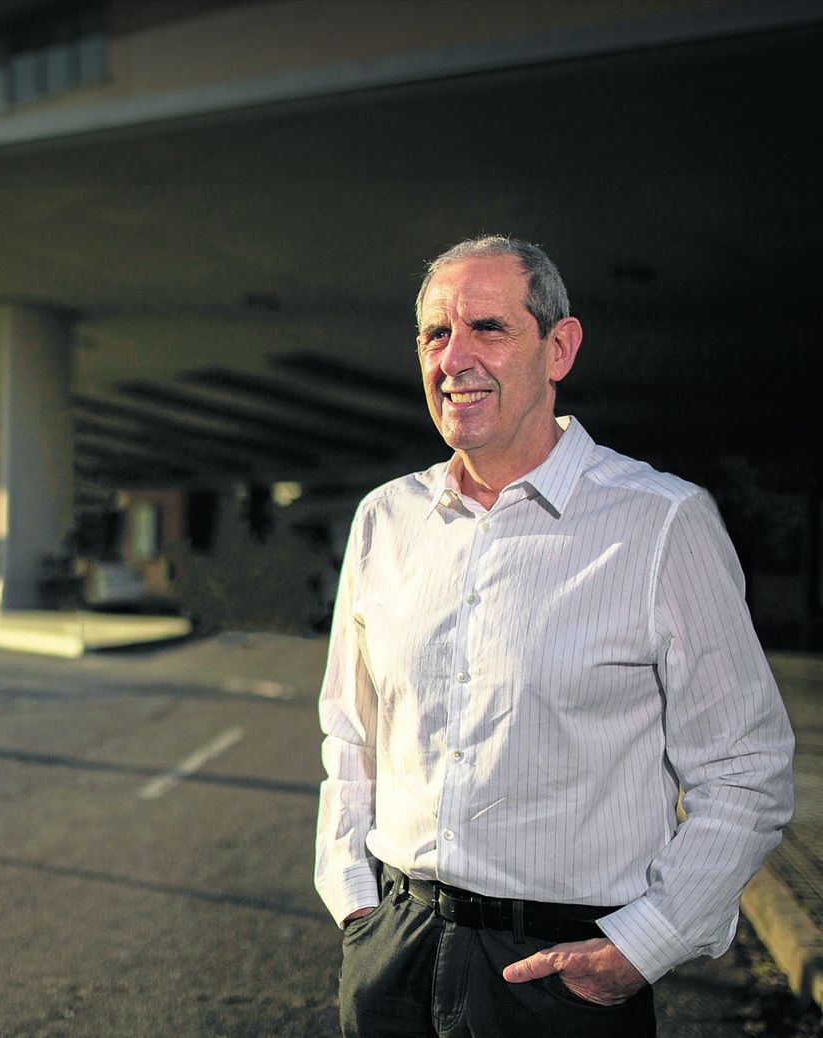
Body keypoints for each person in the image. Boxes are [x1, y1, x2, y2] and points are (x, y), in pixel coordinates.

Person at [313, 235, 793, 1036]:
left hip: (561, 980)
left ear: (559, 347)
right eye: (436, 334)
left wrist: (639, 951)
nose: (454, 357)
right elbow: (351, 736)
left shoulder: (662, 523)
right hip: (390, 957)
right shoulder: (383, 521)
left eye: (488, 329)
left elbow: (747, 770)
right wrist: (356, 904)